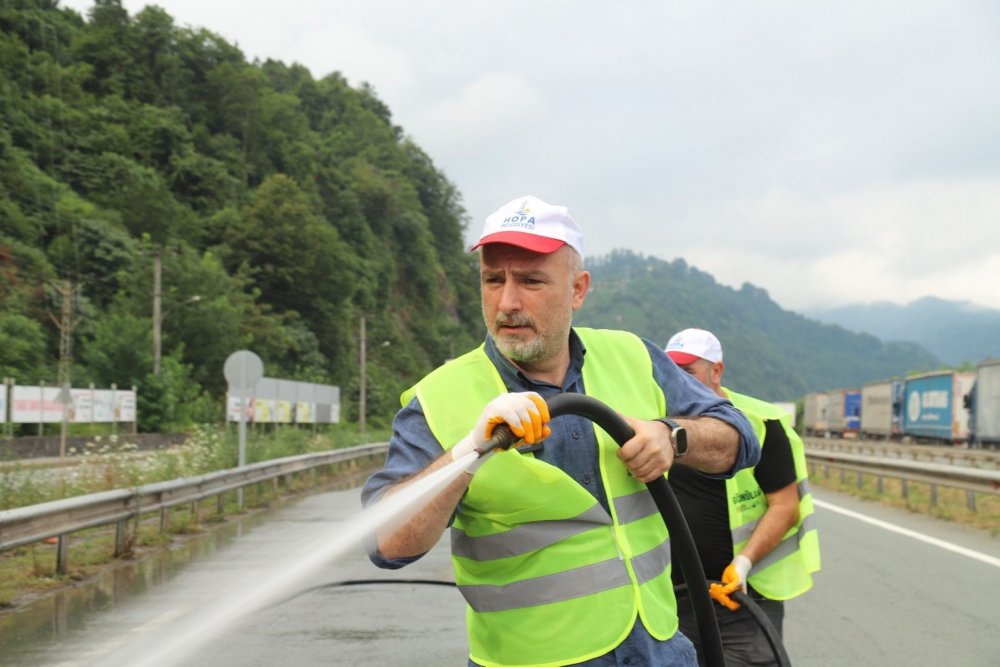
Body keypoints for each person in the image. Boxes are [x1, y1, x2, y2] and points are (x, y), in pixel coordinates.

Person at [362, 195, 761, 667]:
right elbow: (387, 544)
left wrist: (672, 436)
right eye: (493, 280)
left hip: (658, 649)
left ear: (577, 289)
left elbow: (740, 439)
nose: (507, 302)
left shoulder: (633, 357)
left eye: (530, 281)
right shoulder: (438, 398)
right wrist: (468, 452)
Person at [664, 328, 820, 666]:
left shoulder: (759, 423)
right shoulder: (658, 424)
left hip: (743, 599)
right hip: (675, 599)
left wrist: (744, 563)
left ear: (716, 370)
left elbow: (785, 505)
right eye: (670, 370)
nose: (676, 381)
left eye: (687, 372)